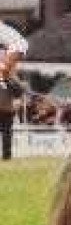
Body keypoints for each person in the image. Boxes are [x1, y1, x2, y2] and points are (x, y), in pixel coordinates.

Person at [0, 20, 29, 160]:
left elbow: (17, 88)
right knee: (7, 133)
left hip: (6, 105)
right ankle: (7, 156)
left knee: (7, 133)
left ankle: (6, 156)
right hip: (6, 105)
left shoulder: (10, 63)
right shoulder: (10, 62)